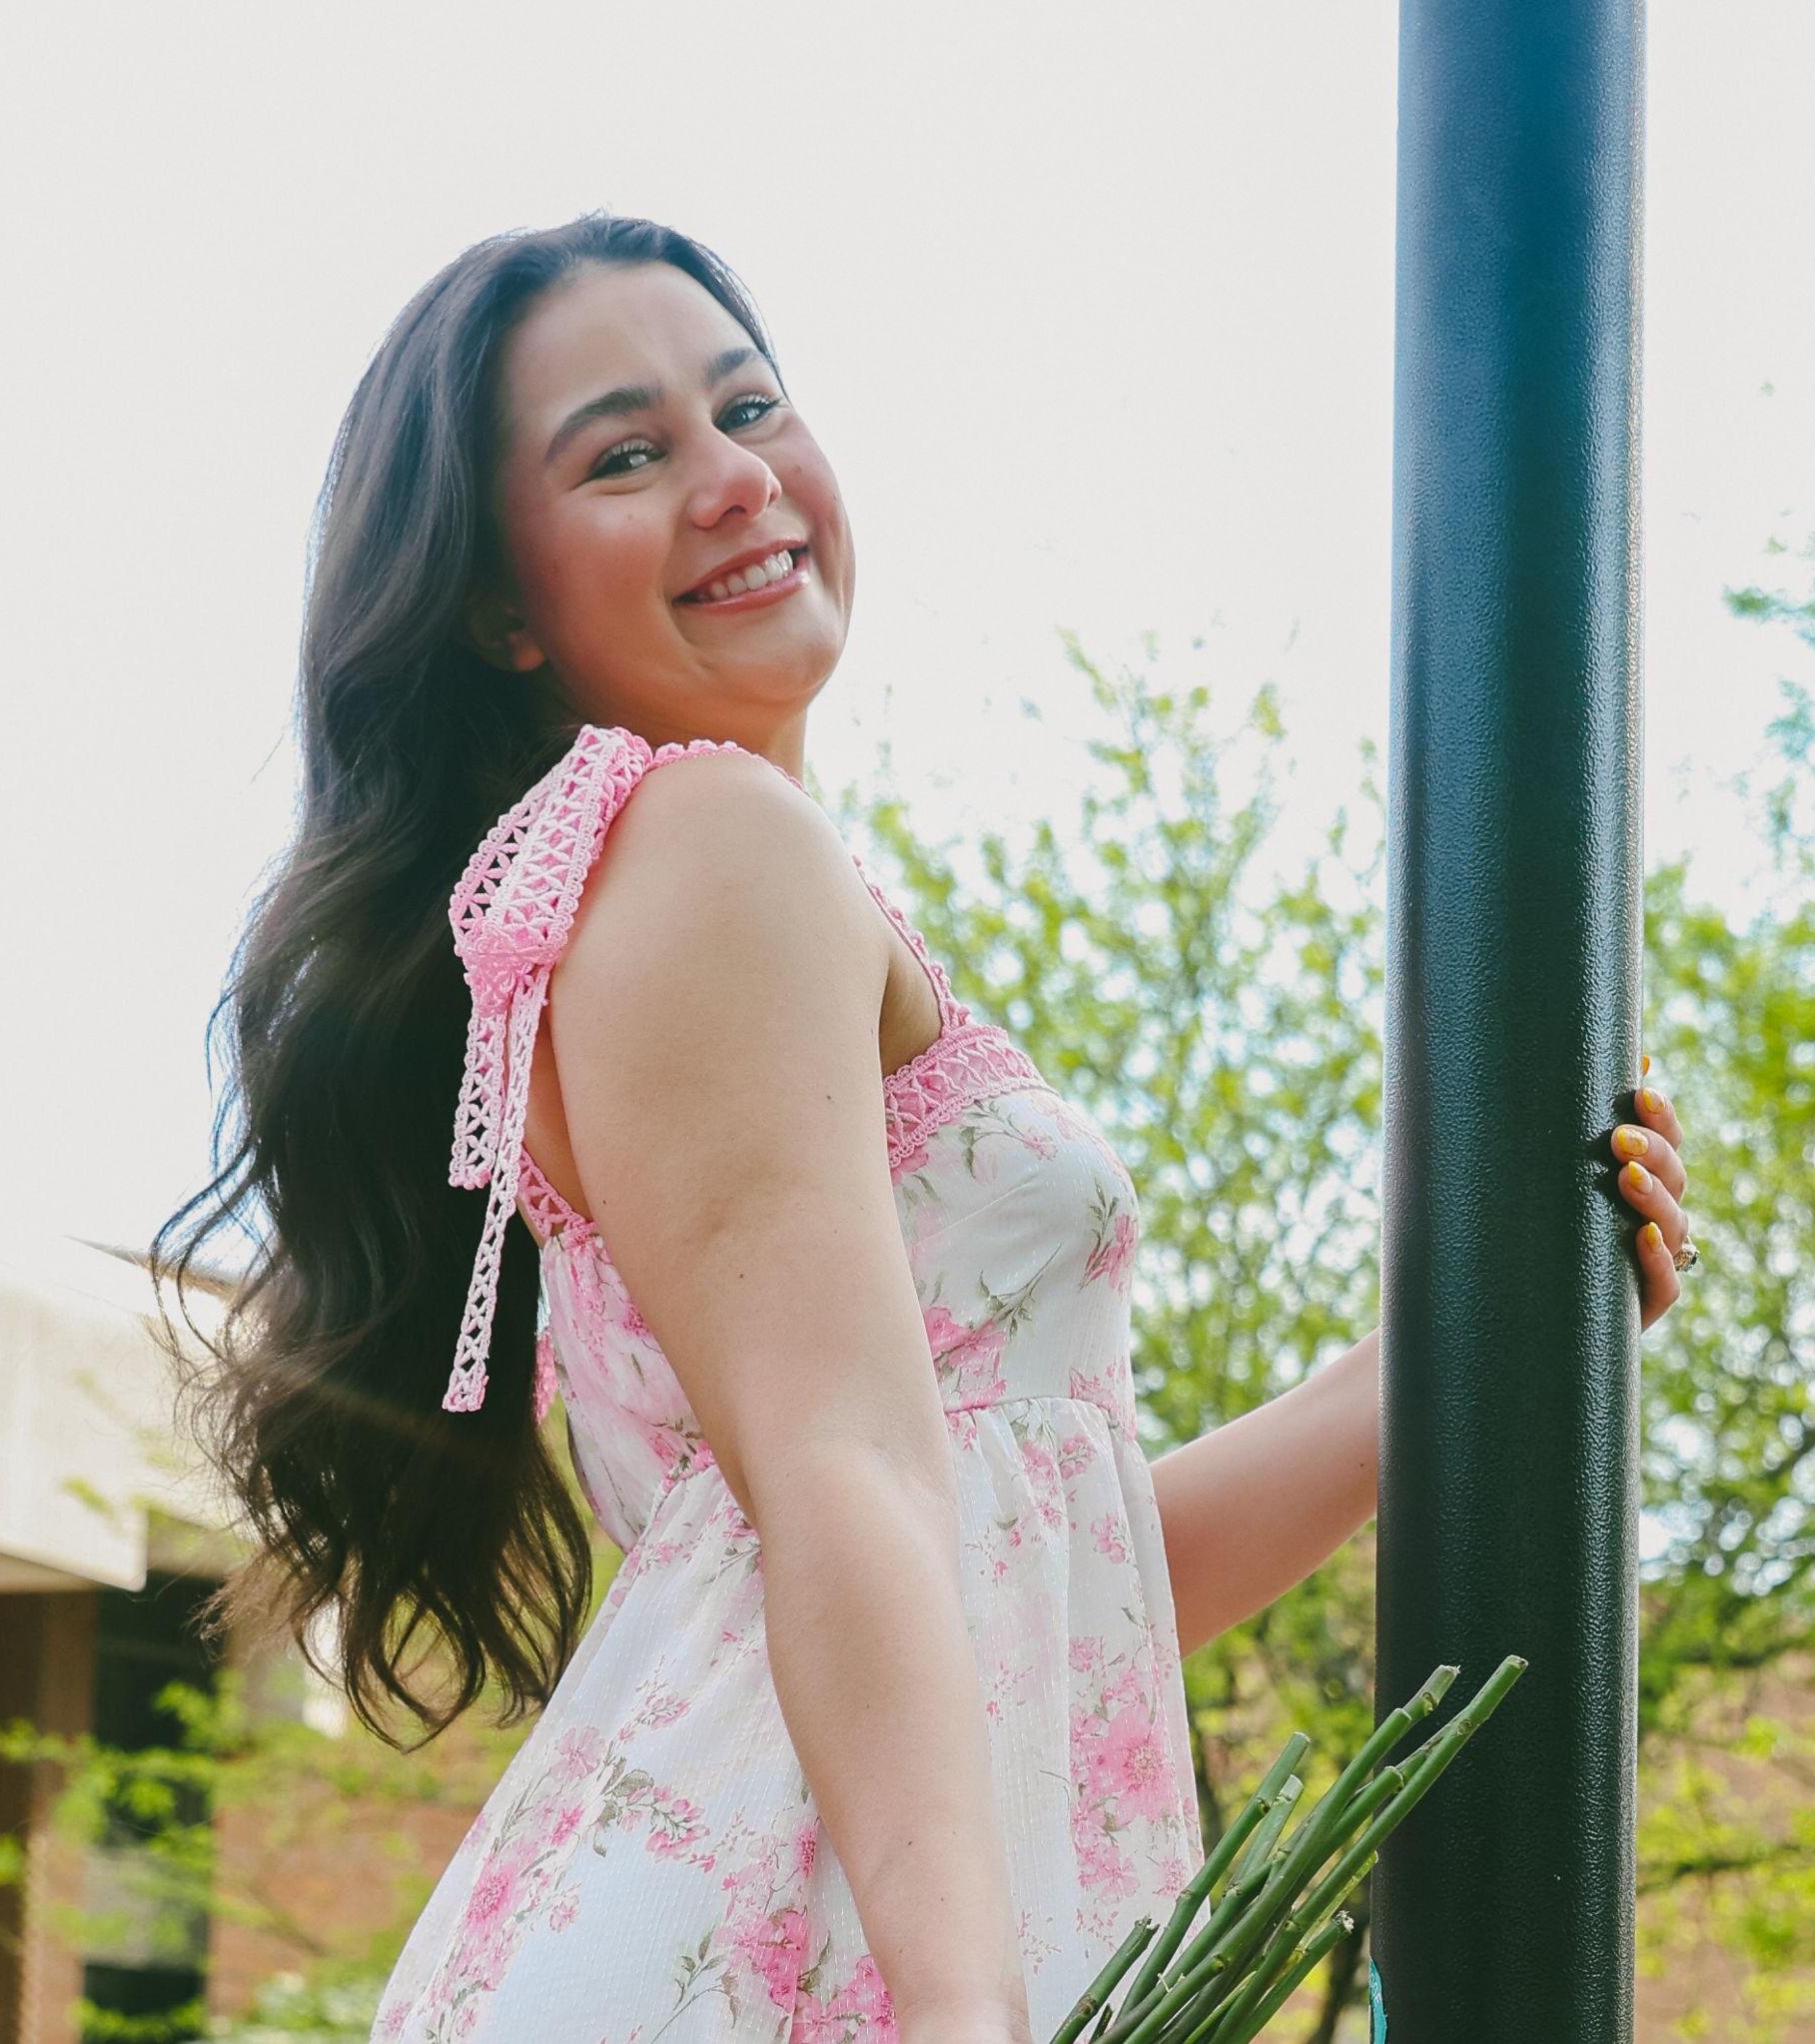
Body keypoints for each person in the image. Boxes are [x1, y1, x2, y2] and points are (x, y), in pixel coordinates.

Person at [151, 211, 1698, 2044]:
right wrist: (964, 2010)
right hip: (834, 1957)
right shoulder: (706, 839)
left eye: (749, 407)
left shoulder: (665, 883)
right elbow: (850, 1471)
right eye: (627, 455)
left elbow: (1048, 1566)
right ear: (499, 603)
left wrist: (1481, 1348)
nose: (735, 477)